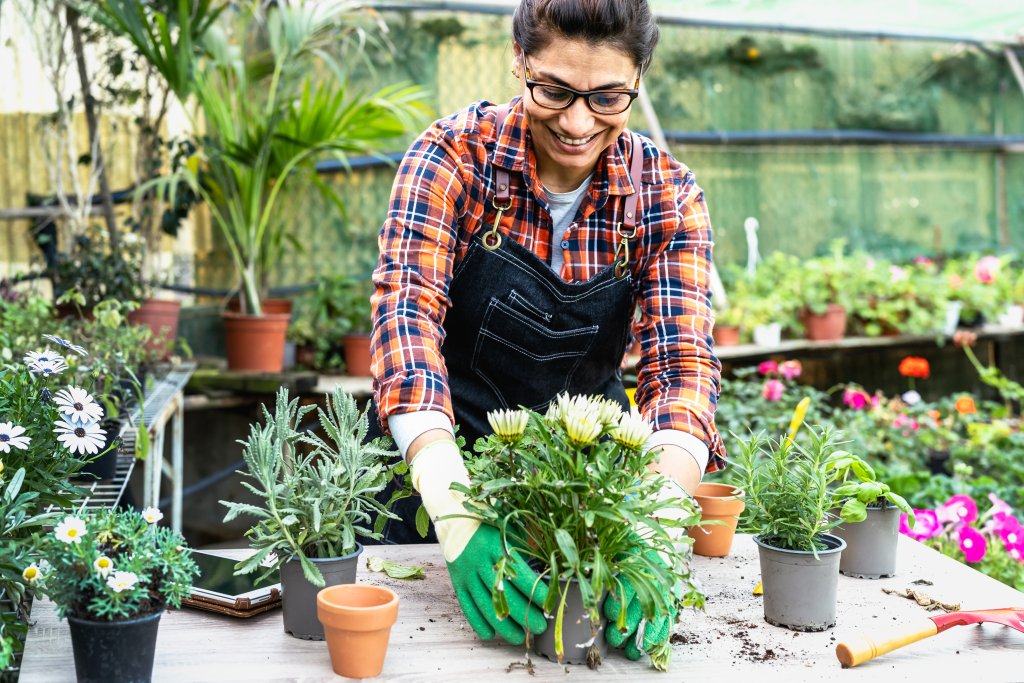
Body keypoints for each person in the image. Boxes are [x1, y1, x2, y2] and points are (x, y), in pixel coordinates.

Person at [368, 0, 725, 661]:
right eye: (554, 90)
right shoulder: (455, 158)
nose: (578, 121)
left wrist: (656, 521)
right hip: (443, 467)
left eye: (608, 97)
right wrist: (454, 512)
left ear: (639, 79)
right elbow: (405, 322)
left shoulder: (664, 195)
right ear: (519, 61)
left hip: (584, 488)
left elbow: (682, 372)